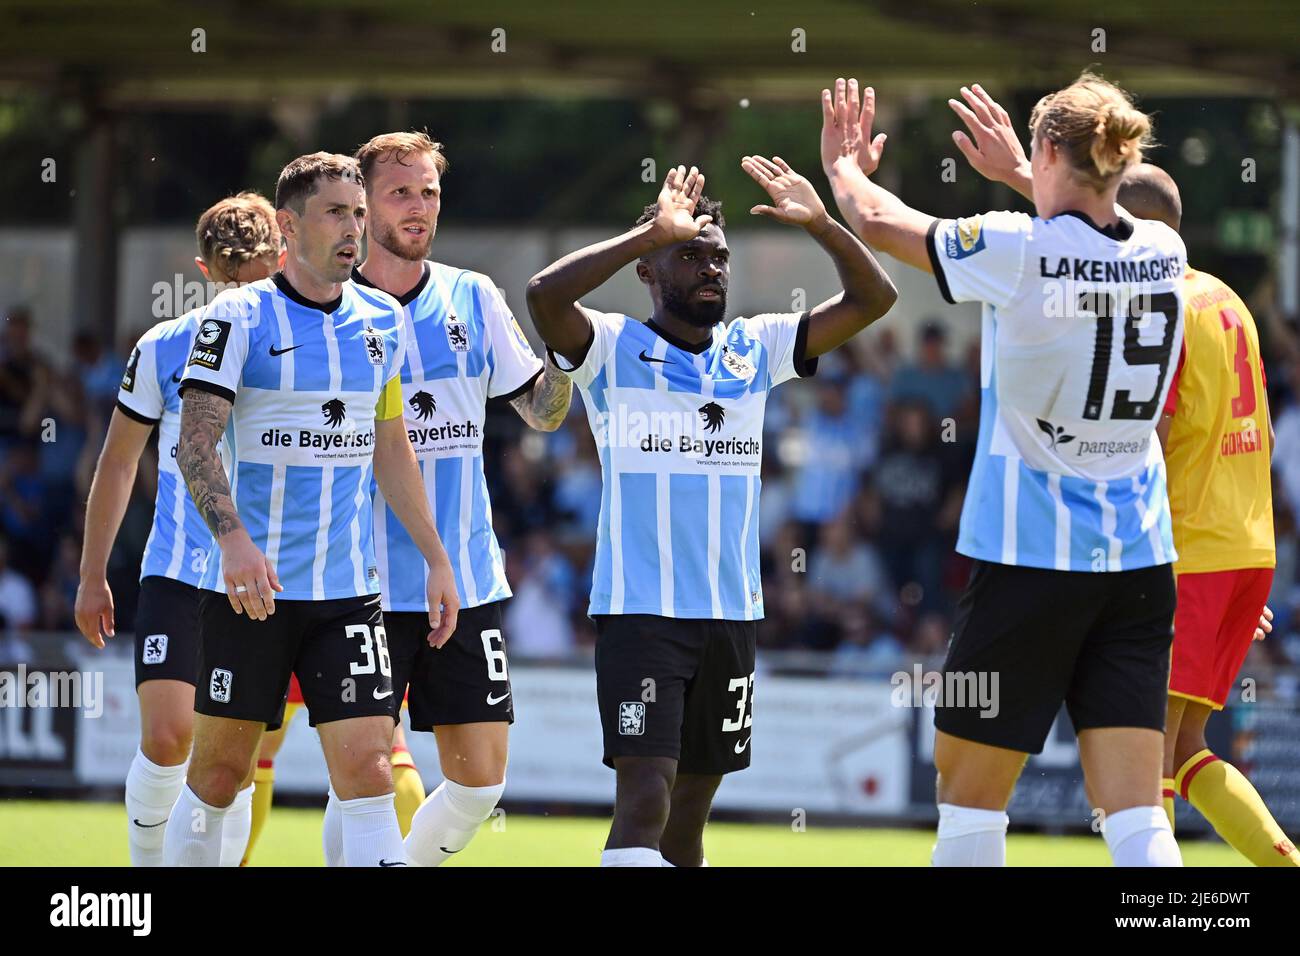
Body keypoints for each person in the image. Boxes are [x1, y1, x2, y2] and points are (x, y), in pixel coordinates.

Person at [822, 73, 1186, 866]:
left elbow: (878, 218)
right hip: (1140, 563)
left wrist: (844, 166)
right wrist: (1029, 176)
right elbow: (1093, 229)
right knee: (1135, 813)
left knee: (968, 796)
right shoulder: (1165, 250)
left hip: (1029, 563)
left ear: (1050, 147)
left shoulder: (1016, 250)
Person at [948, 86, 1298, 866]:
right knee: (1188, 749)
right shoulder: (1229, 300)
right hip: (1247, 544)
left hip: (1179, 546)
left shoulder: (1152, 303)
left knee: (1144, 779)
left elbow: (1148, 433)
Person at [527, 160, 896, 866]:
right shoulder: (610, 347)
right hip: (641, 614)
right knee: (644, 799)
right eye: (689, 254)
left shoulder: (753, 349)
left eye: (718, 256)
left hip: (731, 616)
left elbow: (873, 298)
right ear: (649, 269)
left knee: (688, 820)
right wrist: (643, 234)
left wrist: (821, 222)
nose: (709, 269)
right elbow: (544, 294)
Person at [161, 152, 459, 867]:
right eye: (335, 212)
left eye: (358, 213)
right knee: (220, 776)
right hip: (250, 594)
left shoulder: (381, 321)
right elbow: (194, 440)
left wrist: (437, 558)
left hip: (347, 594)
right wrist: (231, 540)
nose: (353, 228)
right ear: (289, 227)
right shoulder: (237, 316)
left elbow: (392, 448)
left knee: (370, 775)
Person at [344, 130, 572, 866]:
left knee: (480, 784)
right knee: (367, 776)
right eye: (400, 192)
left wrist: (568, 357)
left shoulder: (472, 296)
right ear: (364, 204)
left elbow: (539, 409)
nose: (418, 208)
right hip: (358, 580)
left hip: (465, 579)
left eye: (429, 193)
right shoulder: (333, 306)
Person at [74, 192, 281, 866]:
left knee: (233, 761)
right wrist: (91, 573)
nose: (243, 296)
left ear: (282, 259)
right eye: (230, 281)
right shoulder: (163, 346)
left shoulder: (307, 347)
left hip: (263, 582)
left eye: (256, 279)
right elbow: (118, 462)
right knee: (168, 739)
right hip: (177, 571)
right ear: (202, 270)